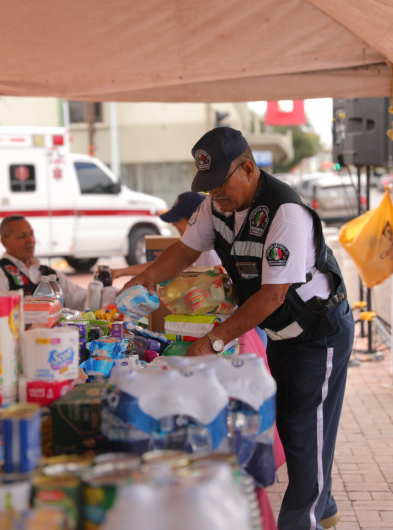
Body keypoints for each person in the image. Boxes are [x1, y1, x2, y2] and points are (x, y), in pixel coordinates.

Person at [123, 126, 354, 530]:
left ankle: (304, 522)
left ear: (248, 169)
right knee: (291, 423)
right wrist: (145, 278)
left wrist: (214, 341)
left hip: (318, 332)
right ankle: (324, 502)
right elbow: (184, 250)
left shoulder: (285, 212)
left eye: (220, 184)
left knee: (306, 430)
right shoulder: (216, 208)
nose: (215, 195)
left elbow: (272, 296)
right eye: (208, 187)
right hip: (282, 333)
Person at [0, 214, 89, 310]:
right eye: (22, 236)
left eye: (31, 234)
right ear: (4, 242)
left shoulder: (50, 273)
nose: (30, 240)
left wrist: (97, 288)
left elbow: (81, 298)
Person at [109, 191, 221, 280]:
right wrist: (120, 271)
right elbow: (162, 265)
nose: (173, 224)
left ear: (194, 220)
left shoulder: (210, 248)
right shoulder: (195, 244)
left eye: (178, 220)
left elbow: (221, 276)